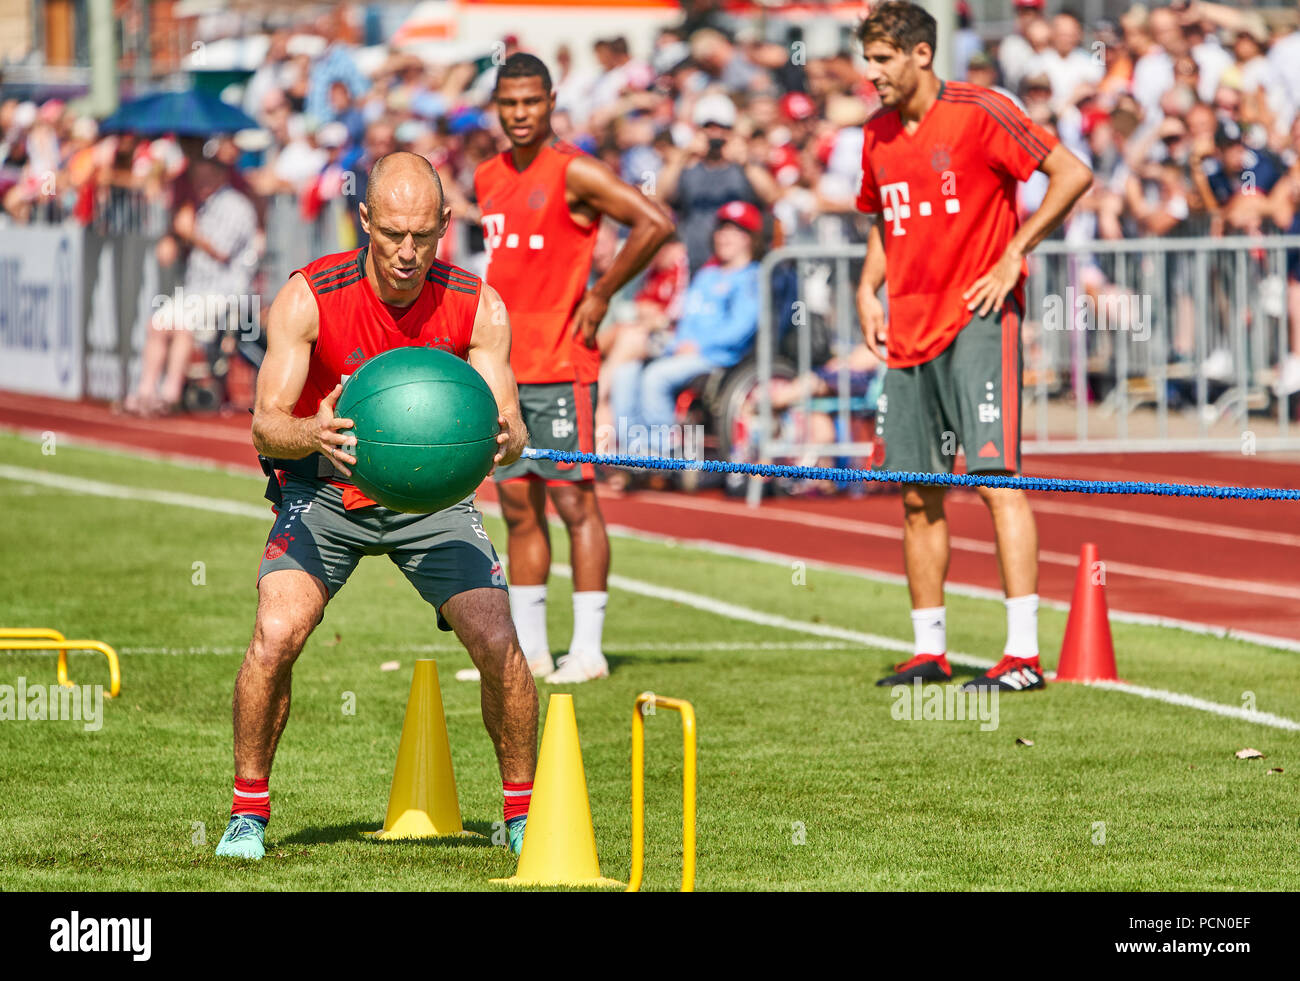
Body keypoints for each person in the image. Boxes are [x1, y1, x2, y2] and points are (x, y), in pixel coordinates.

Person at [215, 152, 537, 860]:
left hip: (432, 501)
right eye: (391, 233)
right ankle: (247, 813)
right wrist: (312, 433)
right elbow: (265, 422)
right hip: (324, 490)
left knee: (499, 642)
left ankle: (521, 815)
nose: (406, 252)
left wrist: (508, 439)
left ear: (447, 226)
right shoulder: (309, 295)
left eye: (423, 235)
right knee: (276, 635)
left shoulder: (478, 303)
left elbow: (507, 428)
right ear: (365, 221)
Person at [853, 2, 1092, 692]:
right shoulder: (876, 134)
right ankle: (930, 650)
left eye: (882, 59)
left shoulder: (982, 110)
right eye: (868, 59)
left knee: (996, 481)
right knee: (917, 493)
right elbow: (881, 219)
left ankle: (1023, 655)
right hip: (906, 330)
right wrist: (869, 290)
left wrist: (1016, 250)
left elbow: (1072, 172)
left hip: (979, 320)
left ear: (921, 55)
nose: (871, 73)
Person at [469, 54, 673, 684]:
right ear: (497, 107)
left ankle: (588, 650)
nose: (520, 113)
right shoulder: (485, 176)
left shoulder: (575, 170)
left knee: (574, 501)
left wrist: (603, 292)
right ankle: (528, 652)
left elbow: (655, 222)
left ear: (552, 100)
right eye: (509, 103)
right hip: (503, 369)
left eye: (531, 101)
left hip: (561, 364)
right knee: (518, 508)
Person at [611, 201, 762, 440]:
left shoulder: (753, 277)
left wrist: (699, 347)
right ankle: (631, 450)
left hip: (718, 358)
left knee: (656, 377)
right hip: (682, 352)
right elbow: (687, 320)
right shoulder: (706, 275)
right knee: (625, 372)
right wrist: (675, 345)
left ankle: (659, 450)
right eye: (722, 229)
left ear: (749, 238)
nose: (724, 236)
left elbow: (741, 329)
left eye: (734, 230)